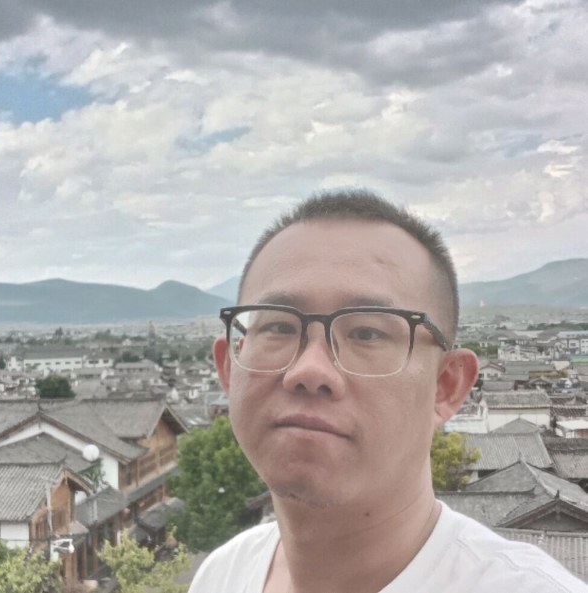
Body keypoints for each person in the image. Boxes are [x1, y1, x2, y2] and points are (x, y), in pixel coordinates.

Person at [189, 189, 588, 592]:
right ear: (229, 367)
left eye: (366, 332)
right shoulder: (221, 575)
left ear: (446, 386)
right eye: (278, 326)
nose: (309, 369)